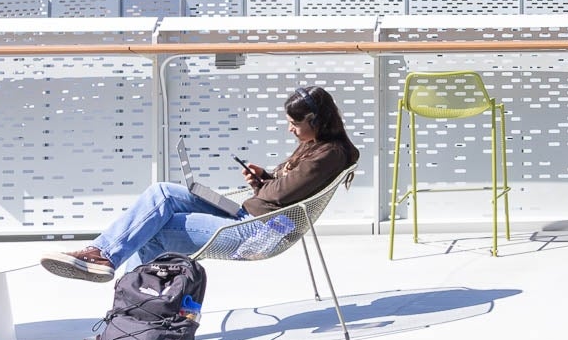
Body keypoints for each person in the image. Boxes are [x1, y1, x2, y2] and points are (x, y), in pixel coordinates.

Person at [38, 86, 361, 282]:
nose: (290, 130)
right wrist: (264, 181)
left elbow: (279, 194)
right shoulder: (318, 147)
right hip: (249, 218)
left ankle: (127, 315)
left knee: (156, 229)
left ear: (316, 120)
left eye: (294, 123)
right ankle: (103, 255)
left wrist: (265, 186)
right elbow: (283, 191)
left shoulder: (328, 154)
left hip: (256, 232)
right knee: (162, 192)